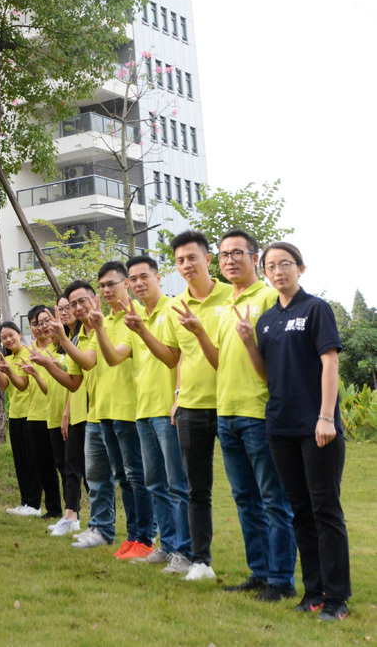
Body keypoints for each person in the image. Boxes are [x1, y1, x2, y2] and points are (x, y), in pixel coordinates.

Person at [236, 242, 351, 622]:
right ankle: (313, 591)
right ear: (265, 272)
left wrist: (325, 416)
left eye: (286, 264)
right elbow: (267, 372)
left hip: (316, 427)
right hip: (280, 427)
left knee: (325, 510)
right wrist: (249, 341)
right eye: (271, 266)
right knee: (300, 510)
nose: (279, 271)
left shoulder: (316, 309)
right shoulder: (267, 320)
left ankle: (337, 599)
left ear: (301, 267)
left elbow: (329, 362)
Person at [183, 230, 296, 601]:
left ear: (254, 257)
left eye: (238, 253)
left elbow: (277, 362)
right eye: (224, 255)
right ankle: (259, 574)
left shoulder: (267, 297)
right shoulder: (225, 304)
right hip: (226, 413)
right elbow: (218, 362)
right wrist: (200, 333)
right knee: (245, 499)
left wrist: (250, 341)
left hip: (258, 414)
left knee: (271, 499)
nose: (230, 260)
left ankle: (281, 580)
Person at [156, 230, 233, 582]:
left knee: (249, 489)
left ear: (208, 259)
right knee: (195, 488)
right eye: (180, 261)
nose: (186, 265)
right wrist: (176, 397)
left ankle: (267, 570)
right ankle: (201, 560)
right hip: (191, 407)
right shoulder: (174, 307)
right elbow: (175, 357)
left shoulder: (233, 295)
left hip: (234, 404)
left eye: (192, 258)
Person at [117, 255, 192, 575]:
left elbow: (176, 357)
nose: (137, 283)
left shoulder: (173, 309)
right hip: (144, 411)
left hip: (168, 410)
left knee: (177, 484)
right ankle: (168, 544)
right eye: (132, 280)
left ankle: (185, 551)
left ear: (159, 277)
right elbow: (111, 359)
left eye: (143, 276)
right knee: (155, 483)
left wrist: (178, 397)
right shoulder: (134, 317)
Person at [83, 262, 155, 560]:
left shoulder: (131, 317)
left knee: (137, 477)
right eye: (101, 286)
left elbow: (114, 359)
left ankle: (145, 538)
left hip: (130, 410)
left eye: (111, 284)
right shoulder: (108, 319)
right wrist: (99, 326)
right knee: (122, 477)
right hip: (106, 412)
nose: (106, 290)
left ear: (126, 284)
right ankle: (133, 537)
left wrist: (98, 328)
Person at [28, 296, 88, 537]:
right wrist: (38, 370)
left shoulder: (75, 342)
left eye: (67, 309)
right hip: (54, 416)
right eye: (61, 309)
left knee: (79, 469)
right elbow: (51, 386)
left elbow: (75, 381)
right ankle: (70, 514)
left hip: (75, 414)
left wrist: (67, 412)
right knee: (65, 468)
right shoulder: (60, 347)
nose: (45, 327)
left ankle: (77, 516)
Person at [0, 322, 39, 517]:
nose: (8, 340)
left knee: (32, 461)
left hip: (31, 414)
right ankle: (25, 502)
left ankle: (34, 504)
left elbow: (23, 384)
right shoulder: (8, 358)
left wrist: (9, 370)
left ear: (19, 333)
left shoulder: (30, 354)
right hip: (15, 414)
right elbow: (2, 386)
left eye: (10, 335)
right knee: (20, 461)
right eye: (3, 338)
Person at [22, 305, 63, 521]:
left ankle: (72, 511)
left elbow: (50, 385)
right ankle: (54, 508)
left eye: (45, 322)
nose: (41, 328)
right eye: (36, 324)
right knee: (44, 466)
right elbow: (23, 384)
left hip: (56, 414)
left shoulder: (59, 349)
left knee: (63, 465)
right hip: (35, 416)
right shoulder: (28, 351)